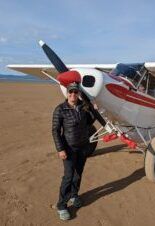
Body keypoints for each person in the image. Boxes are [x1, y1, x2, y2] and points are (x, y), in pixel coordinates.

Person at [52, 82, 95, 221]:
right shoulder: (60, 109)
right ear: (67, 93)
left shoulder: (83, 107)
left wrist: (93, 110)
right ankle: (62, 205)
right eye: (70, 92)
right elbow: (55, 131)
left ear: (78, 94)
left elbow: (89, 122)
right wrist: (60, 149)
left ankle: (74, 195)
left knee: (78, 173)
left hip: (83, 147)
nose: (73, 94)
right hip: (69, 148)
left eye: (75, 92)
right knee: (68, 176)